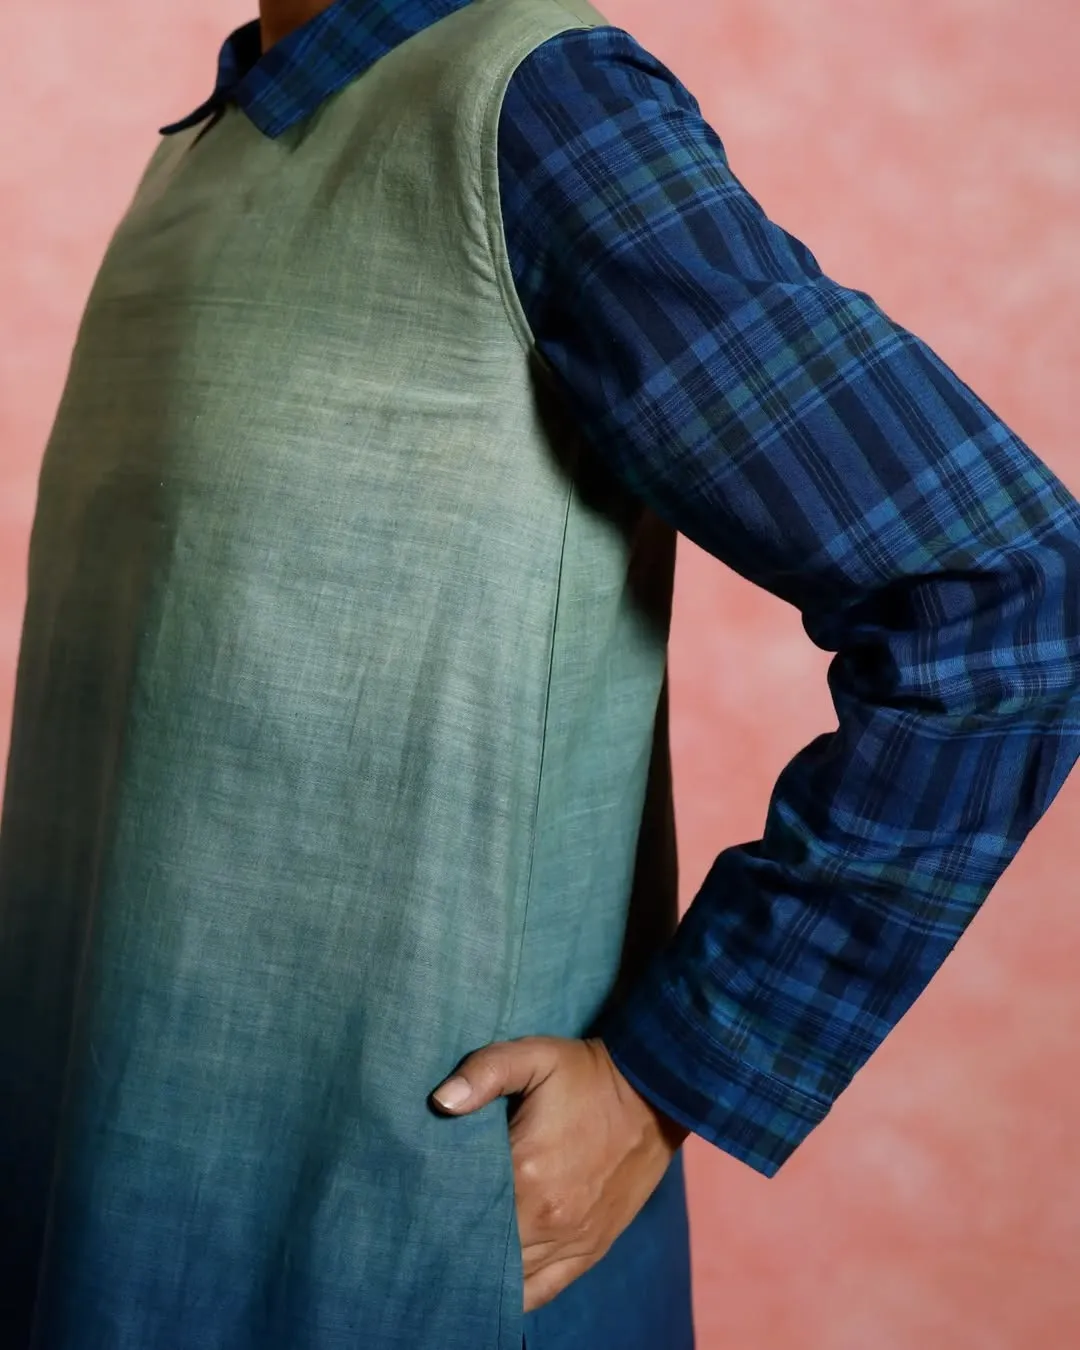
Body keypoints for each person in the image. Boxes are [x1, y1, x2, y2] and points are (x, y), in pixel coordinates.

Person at [2, 0, 1078, 1346]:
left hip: (403, 1261)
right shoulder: (211, 140)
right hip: (97, 1225)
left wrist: (667, 1075)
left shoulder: (541, 112)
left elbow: (1003, 587)